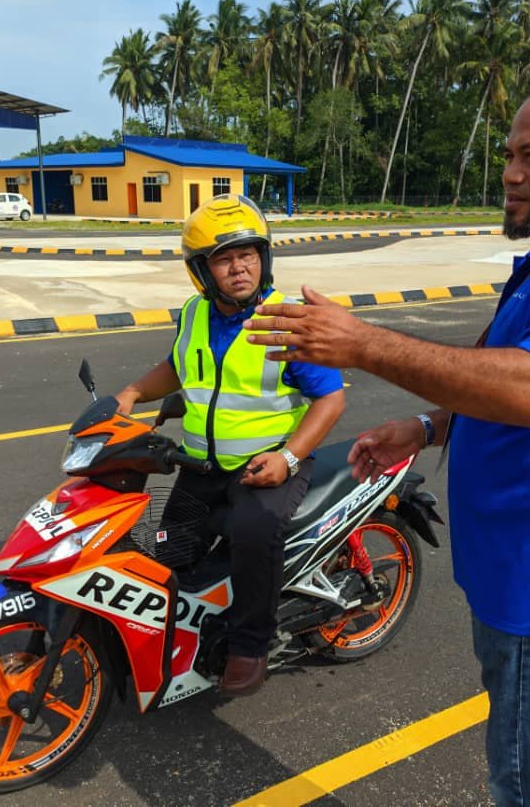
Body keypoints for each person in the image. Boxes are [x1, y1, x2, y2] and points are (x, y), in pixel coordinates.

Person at [242, 79, 530, 804]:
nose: (510, 173)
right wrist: (425, 427)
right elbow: (503, 381)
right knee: (525, 759)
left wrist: (361, 343)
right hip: (518, 561)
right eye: (508, 155)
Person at [114, 194, 345, 697]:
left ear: (264, 257)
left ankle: (250, 645)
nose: (239, 268)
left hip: (268, 465)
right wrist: (131, 393)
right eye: (224, 259)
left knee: (253, 533)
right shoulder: (194, 315)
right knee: (167, 551)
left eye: (248, 254)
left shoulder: (286, 320)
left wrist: (288, 458)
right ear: (201, 270)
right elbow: (178, 366)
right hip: (201, 467)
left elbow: (330, 398)